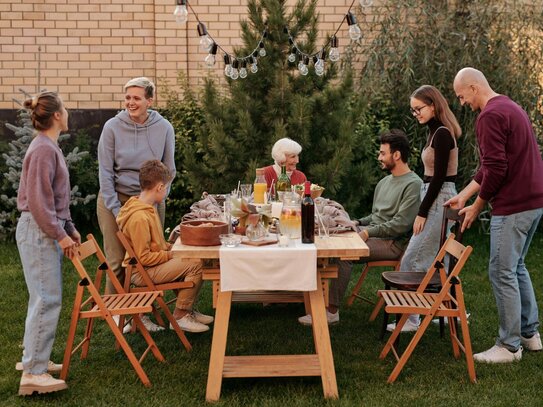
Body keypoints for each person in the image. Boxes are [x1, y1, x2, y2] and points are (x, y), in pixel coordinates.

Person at [448, 67, 543, 363]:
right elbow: (493, 164)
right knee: (515, 267)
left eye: (462, 96)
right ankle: (529, 335)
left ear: (474, 87)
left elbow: (497, 169)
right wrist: (464, 194)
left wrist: (477, 206)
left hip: (513, 206)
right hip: (534, 202)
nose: (462, 103)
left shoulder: (489, 116)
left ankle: (508, 346)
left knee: (501, 272)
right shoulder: (511, 107)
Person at [298, 129, 422, 325]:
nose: (379, 157)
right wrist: (356, 223)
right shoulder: (384, 182)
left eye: (383, 153)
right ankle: (307, 300)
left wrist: (366, 232)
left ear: (396, 155)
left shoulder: (413, 184)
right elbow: (376, 216)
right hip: (375, 234)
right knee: (324, 241)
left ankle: (331, 311)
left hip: (392, 243)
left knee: (342, 254)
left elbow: (401, 224)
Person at [16, 91, 80, 395]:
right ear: (56, 115)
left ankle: (34, 359)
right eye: (64, 109)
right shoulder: (43, 149)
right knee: (46, 298)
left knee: (41, 296)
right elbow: (40, 205)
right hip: (38, 229)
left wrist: (69, 226)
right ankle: (34, 374)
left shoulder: (47, 147)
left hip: (42, 227)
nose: (67, 113)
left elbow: (55, 198)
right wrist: (62, 236)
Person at [97, 77, 176, 300]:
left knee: (151, 255)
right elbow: (105, 172)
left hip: (150, 199)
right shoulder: (112, 127)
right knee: (117, 260)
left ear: (149, 101)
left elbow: (169, 170)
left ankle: (145, 311)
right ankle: (116, 311)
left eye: (137, 98)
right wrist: (116, 209)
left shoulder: (164, 128)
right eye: (128, 98)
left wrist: (158, 197)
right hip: (115, 197)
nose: (131, 103)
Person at [391, 85, 461, 332]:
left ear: (433, 105)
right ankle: (435, 310)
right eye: (413, 110)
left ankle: (412, 317)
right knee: (422, 255)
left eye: (418, 108)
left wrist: (422, 212)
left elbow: (440, 177)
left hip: (439, 197)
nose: (416, 113)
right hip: (433, 194)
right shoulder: (434, 132)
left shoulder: (442, 134)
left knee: (414, 256)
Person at [116, 160, 213, 333]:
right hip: (141, 272)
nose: (167, 191)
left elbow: (156, 245)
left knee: (196, 257)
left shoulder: (147, 207)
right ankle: (181, 315)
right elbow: (143, 258)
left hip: (152, 265)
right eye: (167, 187)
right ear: (160, 187)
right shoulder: (139, 218)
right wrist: (171, 255)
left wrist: (173, 247)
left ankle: (188, 310)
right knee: (195, 264)